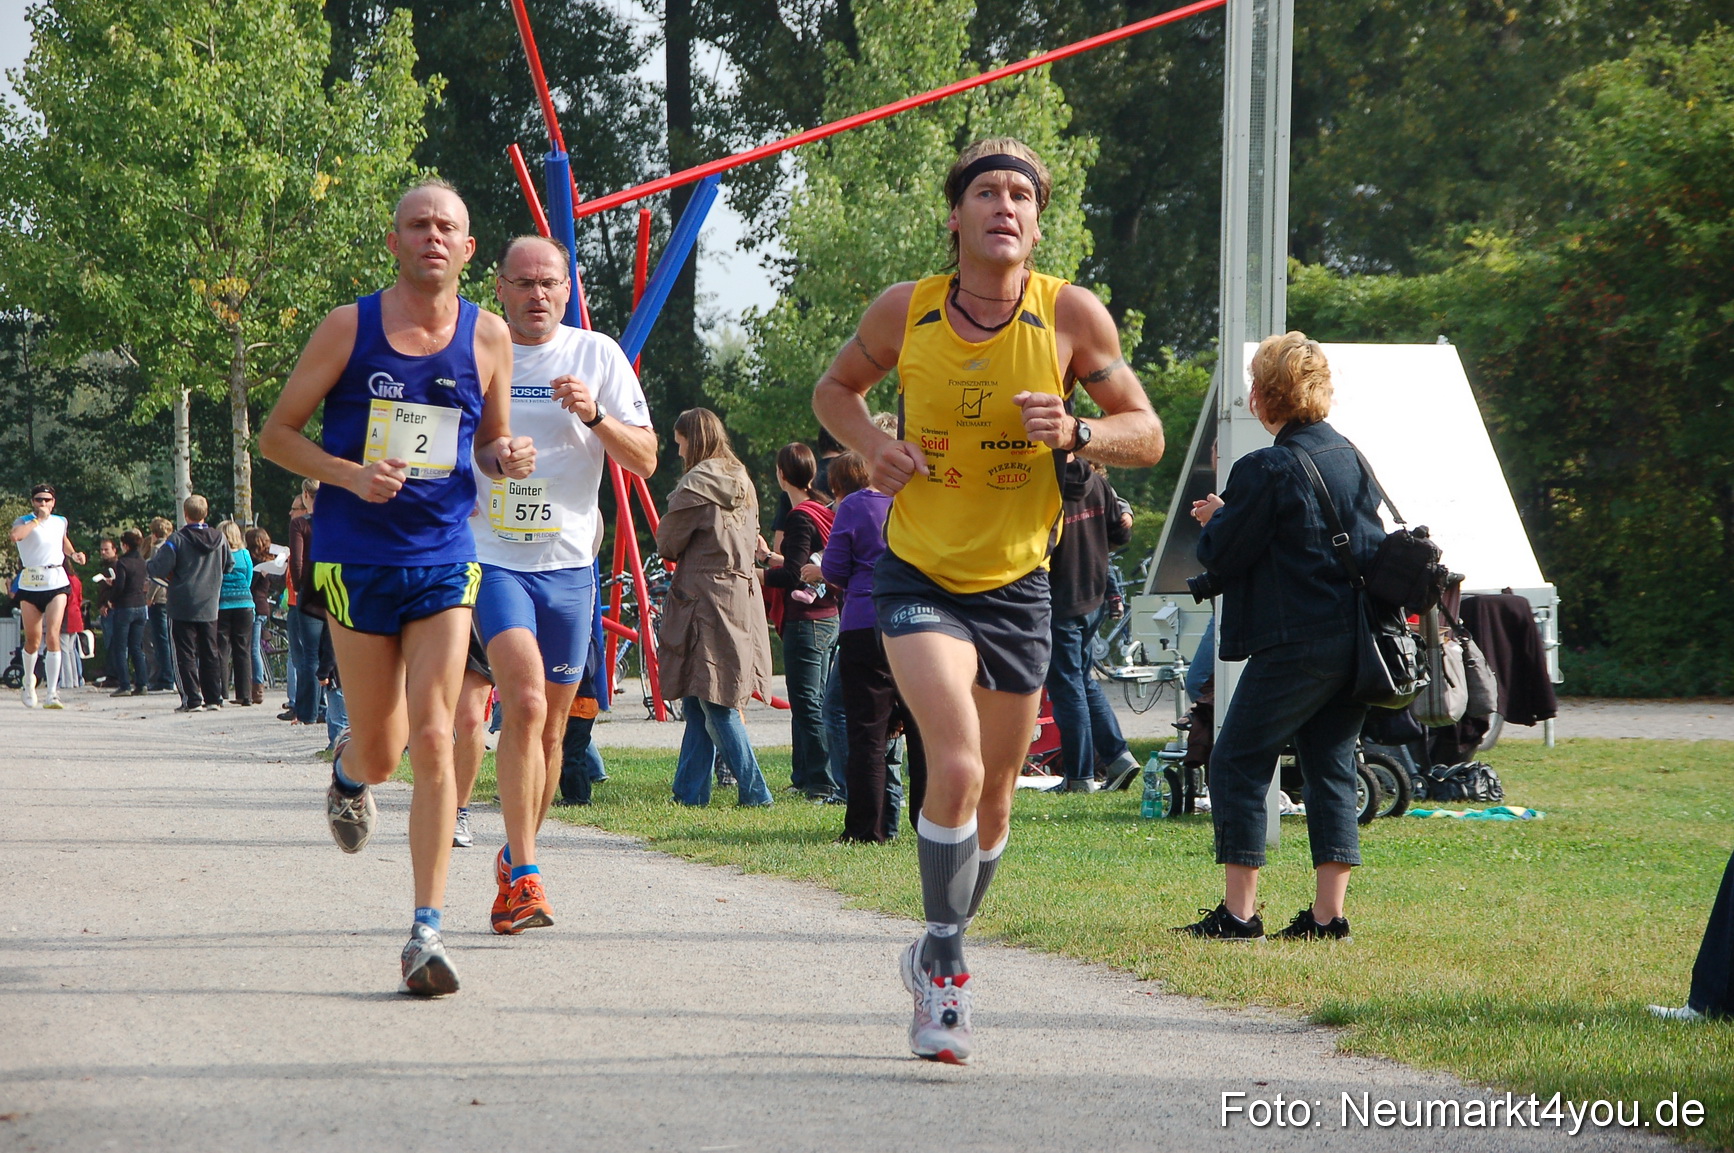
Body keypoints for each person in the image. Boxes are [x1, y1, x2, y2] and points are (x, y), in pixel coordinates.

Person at [812, 137, 1164, 1063]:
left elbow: (1149, 432)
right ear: (957, 215)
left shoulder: (1071, 316)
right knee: (956, 768)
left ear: (1037, 221)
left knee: (999, 801)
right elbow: (835, 389)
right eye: (987, 192)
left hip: (1021, 583)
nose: (1006, 205)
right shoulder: (908, 310)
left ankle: (932, 942)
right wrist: (873, 446)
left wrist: (1083, 429)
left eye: (1022, 194)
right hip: (920, 571)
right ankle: (949, 971)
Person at [259, 177, 530, 997]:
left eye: (448, 226)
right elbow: (276, 434)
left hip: (446, 556)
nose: (433, 237)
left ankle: (425, 931)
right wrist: (348, 473)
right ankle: (346, 773)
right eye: (418, 225)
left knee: (439, 732)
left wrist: (505, 457)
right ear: (395, 241)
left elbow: (487, 446)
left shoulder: (488, 335)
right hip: (356, 557)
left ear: (469, 247)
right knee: (382, 750)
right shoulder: (350, 326)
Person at [460, 232, 655, 935]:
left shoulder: (595, 355)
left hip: (569, 562)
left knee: (552, 732)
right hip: (495, 556)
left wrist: (595, 415)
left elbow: (647, 457)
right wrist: (492, 454)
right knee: (526, 699)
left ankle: (517, 861)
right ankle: (532, 876)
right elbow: (449, 444)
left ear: (567, 289)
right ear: (502, 287)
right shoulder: (479, 347)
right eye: (524, 282)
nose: (537, 294)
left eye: (550, 283)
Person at [1174, 332, 1383, 943]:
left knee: (1237, 759)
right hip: (1356, 642)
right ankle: (1327, 917)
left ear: (1267, 395)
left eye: (1253, 386)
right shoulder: (1348, 454)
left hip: (1296, 641)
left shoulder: (1263, 467)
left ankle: (1239, 916)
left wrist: (1217, 519)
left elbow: (1226, 553)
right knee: (1331, 766)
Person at [655, 408, 776, 808]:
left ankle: (757, 793)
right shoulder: (743, 479)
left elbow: (668, 543)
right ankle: (688, 794)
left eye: (680, 442)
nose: (678, 451)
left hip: (703, 599)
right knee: (697, 698)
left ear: (695, 439)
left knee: (716, 702)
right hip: (740, 597)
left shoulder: (696, 485)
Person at [822, 448, 922, 843]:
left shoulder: (856, 506)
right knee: (923, 732)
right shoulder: (923, 498)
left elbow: (833, 568)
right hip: (920, 622)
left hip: (865, 620)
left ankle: (867, 829)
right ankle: (935, 824)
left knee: (867, 732)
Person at [1045, 458, 1139, 792]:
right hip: (1093, 595)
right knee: (1083, 682)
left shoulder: (1045, 488)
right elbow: (1120, 533)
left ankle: (1079, 776)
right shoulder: (1097, 482)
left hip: (1061, 599)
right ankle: (1118, 757)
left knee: (1067, 689)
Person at [760, 443, 840, 801]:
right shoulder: (821, 510)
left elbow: (794, 575)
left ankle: (821, 781)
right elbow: (804, 562)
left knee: (806, 702)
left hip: (806, 620)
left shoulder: (799, 517)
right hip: (829, 616)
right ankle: (804, 775)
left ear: (781, 475)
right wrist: (770, 557)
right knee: (813, 699)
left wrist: (756, 574)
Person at [148, 495, 233, 713]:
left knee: (183, 653)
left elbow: (156, 568)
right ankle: (214, 698)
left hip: (181, 602)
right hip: (210, 602)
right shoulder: (220, 538)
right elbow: (228, 566)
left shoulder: (176, 540)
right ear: (206, 513)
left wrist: (166, 578)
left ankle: (192, 699)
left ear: (185, 514)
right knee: (209, 651)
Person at [9, 484, 88, 709]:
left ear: (53, 502)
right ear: (33, 502)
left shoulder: (60, 521)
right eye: (38, 500)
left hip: (55, 580)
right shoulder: (24, 521)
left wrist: (74, 553)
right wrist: (36, 520)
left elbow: (62, 541)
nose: (42, 504)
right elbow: (16, 536)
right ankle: (28, 682)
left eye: (47, 500)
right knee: (33, 639)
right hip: (32, 583)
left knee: (54, 634)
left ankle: (52, 693)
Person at [283, 484, 324, 725]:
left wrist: (299, 587)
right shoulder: (337, 520)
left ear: (306, 496)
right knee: (332, 652)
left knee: (310, 655)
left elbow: (296, 563)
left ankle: (308, 711)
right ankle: (335, 709)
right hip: (336, 590)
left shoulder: (301, 524)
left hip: (309, 592)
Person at [215, 520, 256, 706]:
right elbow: (249, 577)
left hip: (222, 604)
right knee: (243, 649)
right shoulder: (245, 553)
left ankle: (221, 692)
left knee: (221, 649)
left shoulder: (217, 554)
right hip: (244, 603)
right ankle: (245, 694)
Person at [107, 529, 150, 696]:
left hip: (125, 606)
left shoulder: (122, 562)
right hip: (141, 605)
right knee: (136, 647)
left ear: (125, 545)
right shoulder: (142, 561)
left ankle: (124, 684)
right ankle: (142, 683)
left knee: (120, 647)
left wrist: (112, 598)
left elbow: (121, 586)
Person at [142, 517, 176, 692]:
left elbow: (156, 576)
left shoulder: (157, 549)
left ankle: (166, 676)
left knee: (160, 638)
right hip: (169, 596)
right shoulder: (172, 546)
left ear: (154, 533)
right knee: (166, 637)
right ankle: (169, 675)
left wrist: (150, 596)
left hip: (158, 598)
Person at [245, 526, 276, 705]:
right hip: (264, 606)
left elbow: (251, 585)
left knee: (253, 648)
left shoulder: (254, 562)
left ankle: (257, 685)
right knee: (254, 646)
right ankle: (256, 685)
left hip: (255, 606)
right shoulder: (270, 561)